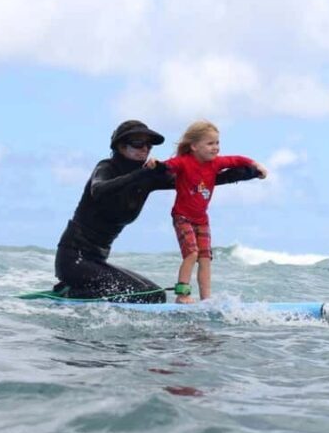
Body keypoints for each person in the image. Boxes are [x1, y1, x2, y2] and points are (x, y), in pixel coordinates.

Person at [53, 120, 261, 303]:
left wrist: (248, 172)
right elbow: (98, 190)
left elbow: (197, 180)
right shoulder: (107, 168)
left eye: (148, 145)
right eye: (137, 143)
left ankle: (78, 289)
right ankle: (71, 293)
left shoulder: (147, 177)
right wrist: (141, 174)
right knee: (146, 296)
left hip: (96, 262)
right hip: (74, 260)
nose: (145, 149)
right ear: (120, 146)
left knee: (156, 295)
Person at [145, 120, 267, 303]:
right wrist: (154, 163)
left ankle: (206, 299)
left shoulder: (216, 163)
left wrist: (257, 165)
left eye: (217, 143)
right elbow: (167, 166)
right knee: (192, 253)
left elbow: (237, 160)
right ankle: (182, 295)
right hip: (182, 217)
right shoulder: (184, 162)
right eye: (210, 143)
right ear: (194, 146)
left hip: (202, 219)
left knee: (205, 258)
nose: (216, 147)